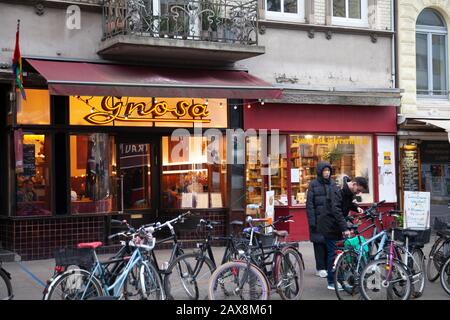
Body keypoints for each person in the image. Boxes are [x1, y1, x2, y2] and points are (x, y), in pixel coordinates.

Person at [306, 161, 338, 278]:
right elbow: (309, 204)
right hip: (318, 219)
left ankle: (328, 267)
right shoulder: (313, 184)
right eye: (325, 171)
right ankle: (320, 268)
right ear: (320, 172)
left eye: (328, 170)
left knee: (328, 244)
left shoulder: (333, 184)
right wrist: (312, 221)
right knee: (319, 244)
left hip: (330, 220)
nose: (327, 173)